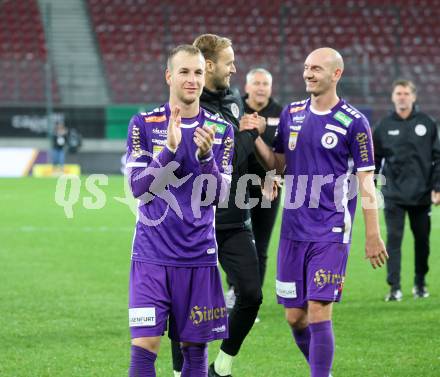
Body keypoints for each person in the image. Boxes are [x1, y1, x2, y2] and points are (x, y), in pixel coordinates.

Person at [249, 47, 388, 377]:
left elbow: (366, 182)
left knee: (319, 308)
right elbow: (279, 165)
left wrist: (372, 233)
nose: (308, 74)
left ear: (336, 74)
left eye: (317, 68)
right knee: (294, 317)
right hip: (293, 229)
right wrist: (256, 140)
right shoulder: (292, 114)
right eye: (306, 67)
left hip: (330, 230)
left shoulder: (354, 122)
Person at [126, 44, 234, 377]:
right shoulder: (144, 124)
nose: (192, 79)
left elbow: (221, 196)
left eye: (199, 72)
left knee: (195, 351)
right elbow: (139, 189)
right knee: (145, 349)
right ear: (169, 76)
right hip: (151, 257)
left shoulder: (220, 131)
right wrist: (169, 150)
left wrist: (206, 159)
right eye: (184, 72)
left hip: (198, 258)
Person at [171, 33, 266, 377]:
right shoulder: (190, 108)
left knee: (252, 295)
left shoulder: (235, 101)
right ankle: (180, 371)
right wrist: (248, 134)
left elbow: (241, 160)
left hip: (234, 219)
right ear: (208, 65)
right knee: (185, 305)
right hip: (198, 222)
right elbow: (225, 156)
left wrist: (264, 174)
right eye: (229, 63)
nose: (234, 69)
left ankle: (222, 366)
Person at [373, 79, 440, 302]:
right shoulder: (383, 126)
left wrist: (437, 187)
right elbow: (374, 160)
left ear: (413, 96)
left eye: (406, 93)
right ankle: (395, 288)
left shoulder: (427, 123)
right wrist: (371, 187)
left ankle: (420, 283)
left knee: (422, 242)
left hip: (421, 195)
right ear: (393, 97)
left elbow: (438, 158)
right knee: (393, 241)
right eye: (398, 93)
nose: (402, 97)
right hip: (393, 194)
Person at [243, 67, 283, 291]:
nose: (260, 88)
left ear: (270, 87)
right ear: (247, 86)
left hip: (270, 186)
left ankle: (253, 297)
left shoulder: (281, 112)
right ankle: (236, 289)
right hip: (238, 187)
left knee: (261, 245)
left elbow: (283, 152)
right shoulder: (235, 107)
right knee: (237, 243)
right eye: (256, 83)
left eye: (265, 84)